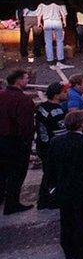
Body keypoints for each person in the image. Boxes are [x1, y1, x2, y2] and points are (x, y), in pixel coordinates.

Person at [48, 110, 83, 259]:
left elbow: (50, 167)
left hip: (63, 189)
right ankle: (82, 253)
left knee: (66, 220)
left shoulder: (56, 142)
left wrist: (52, 187)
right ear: (81, 124)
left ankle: (69, 249)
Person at [0, 69, 35, 214]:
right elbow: (26, 125)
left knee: (2, 171)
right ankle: (12, 203)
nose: (28, 81)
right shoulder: (23, 100)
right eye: (26, 78)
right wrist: (27, 142)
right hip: (16, 141)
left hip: (2, 139)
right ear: (18, 80)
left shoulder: (2, 96)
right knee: (17, 173)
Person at [35, 82, 68, 209]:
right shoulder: (57, 111)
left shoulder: (42, 107)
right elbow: (61, 132)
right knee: (54, 175)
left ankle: (43, 199)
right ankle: (50, 200)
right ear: (56, 95)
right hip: (53, 148)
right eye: (64, 92)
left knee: (47, 174)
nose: (66, 94)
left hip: (42, 145)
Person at [38, 0, 71, 68]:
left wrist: (39, 22)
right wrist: (64, 21)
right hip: (57, 21)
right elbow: (63, 13)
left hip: (47, 22)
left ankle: (50, 60)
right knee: (59, 41)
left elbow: (39, 14)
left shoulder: (42, 3)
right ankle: (60, 59)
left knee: (48, 42)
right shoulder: (59, 2)